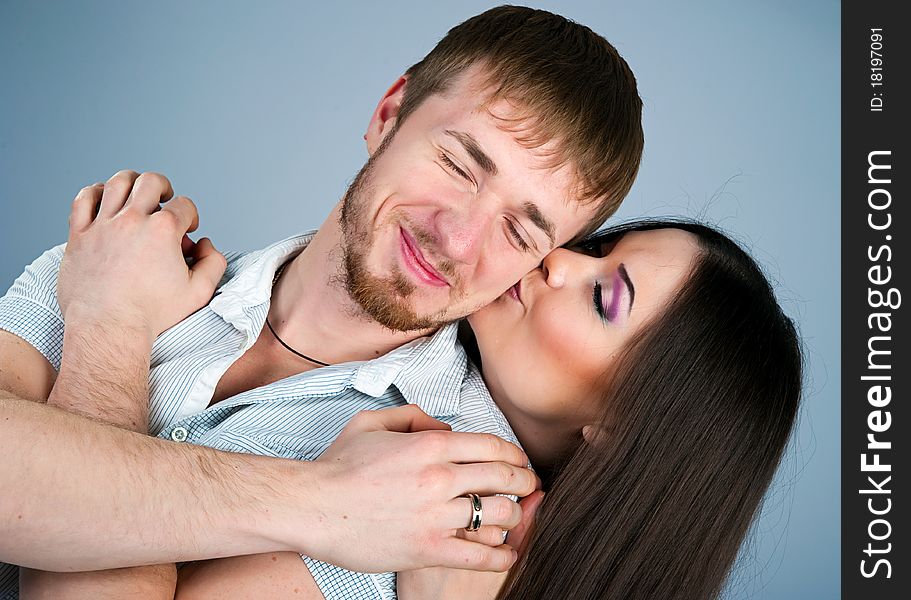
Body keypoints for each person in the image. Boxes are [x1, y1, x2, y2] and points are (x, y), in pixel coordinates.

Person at [0, 5, 644, 599]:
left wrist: (107, 329)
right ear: (389, 113)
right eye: (458, 165)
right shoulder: (119, 263)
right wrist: (323, 500)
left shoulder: (446, 483)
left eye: (518, 231)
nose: (457, 237)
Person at [167, 220, 802, 599]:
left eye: (603, 298)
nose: (557, 259)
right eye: (601, 247)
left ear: (621, 429)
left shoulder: (440, 525)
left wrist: (106, 330)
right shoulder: (387, 325)